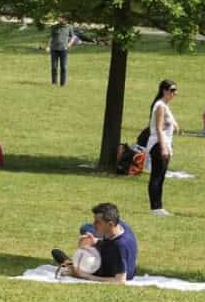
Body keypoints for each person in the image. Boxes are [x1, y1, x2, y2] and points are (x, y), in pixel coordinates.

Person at [51, 202, 138, 284]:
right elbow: (109, 242)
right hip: (115, 256)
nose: (94, 224)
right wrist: (95, 241)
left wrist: (85, 276)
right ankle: (72, 264)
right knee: (86, 228)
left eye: (98, 222)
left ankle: (68, 263)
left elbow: (120, 281)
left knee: (77, 268)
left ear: (110, 225)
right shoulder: (119, 225)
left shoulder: (119, 246)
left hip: (111, 271)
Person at [145, 79, 179, 216]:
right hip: (159, 144)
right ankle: (155, 207)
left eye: (175, 90)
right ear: (164, 91)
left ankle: (159, 206)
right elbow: (158, 128)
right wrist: (163, 147)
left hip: (165, 143)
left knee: (161, 176)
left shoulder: (165, 106)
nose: (174, 93)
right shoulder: (160, 106)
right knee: (157, 176)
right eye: (172, 90)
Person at [48, 20, 72, 86]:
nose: (62, 20)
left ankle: (63, 83)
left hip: (64, 50)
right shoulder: (54, 27)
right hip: (54, 49)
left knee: (63, 67)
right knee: (54, 67)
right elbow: (51, 37)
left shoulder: (69, 27)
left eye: (64, 19)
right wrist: (48, 46)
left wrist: (68, 45)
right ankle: (54, 83)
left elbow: (72, 37)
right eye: (61, 18)